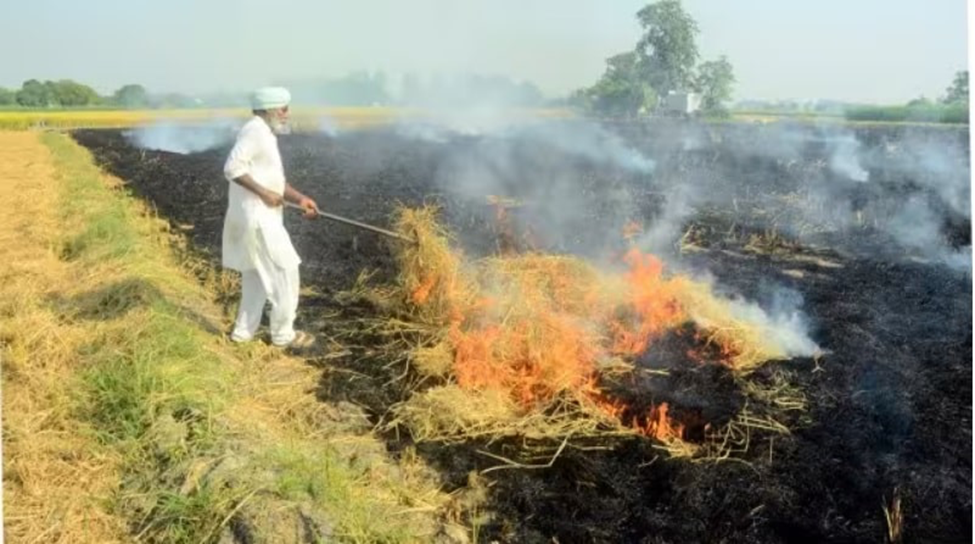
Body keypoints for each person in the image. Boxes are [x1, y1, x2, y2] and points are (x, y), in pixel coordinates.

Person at [222, 86, 319, 349]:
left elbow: (275, 182)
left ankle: (242, 334)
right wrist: (264, 194)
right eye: (283, 108)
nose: (287, 113)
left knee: (256, 277)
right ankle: (283, 335)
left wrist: (299, 199)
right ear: (269, 110)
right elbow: (232, 167)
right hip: (258, 219)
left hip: (259, 218)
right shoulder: (255, 132)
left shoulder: (264, 133)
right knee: (285, 271)